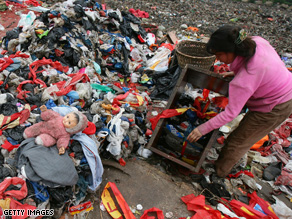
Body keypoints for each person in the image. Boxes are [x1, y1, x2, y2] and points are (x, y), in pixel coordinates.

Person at [187, 25, 292, 177]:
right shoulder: (256, 41)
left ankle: (218, 174)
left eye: (219, 55)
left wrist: (201, 129)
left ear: (231, 52)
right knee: (240, 135)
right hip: (283, 87)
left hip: (277, 104)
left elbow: (230, 114)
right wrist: (236, 71)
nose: (217, 59)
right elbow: (258, 67)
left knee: (237, 141)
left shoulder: (245, 79)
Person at [23, 105, 88, 155]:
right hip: (43, 126)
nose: (66, 120)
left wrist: (62, 147)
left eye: (69, 122)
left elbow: (63, 141)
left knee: (46, 140)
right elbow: (49, 115)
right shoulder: (57, 116)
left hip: (51, 136)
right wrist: (45, 111)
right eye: (67, 117)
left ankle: (41, 140)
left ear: (73, 128)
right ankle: (27, 133)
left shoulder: (65, 134)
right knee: (36, 128)